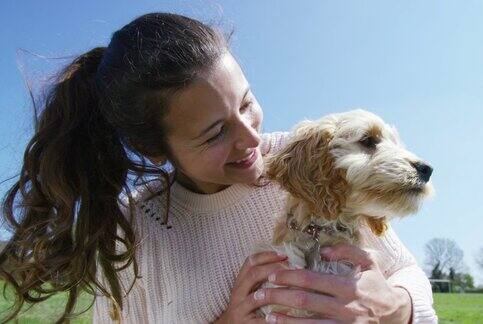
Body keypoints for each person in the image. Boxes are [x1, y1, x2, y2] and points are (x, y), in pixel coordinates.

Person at [0, 12, 437, 324]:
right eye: (214, 133)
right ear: (153, 149)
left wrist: (395, 308)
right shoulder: (133, 229)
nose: (251, 139)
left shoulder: (303, 161)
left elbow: (406, 274)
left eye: (247, 102)